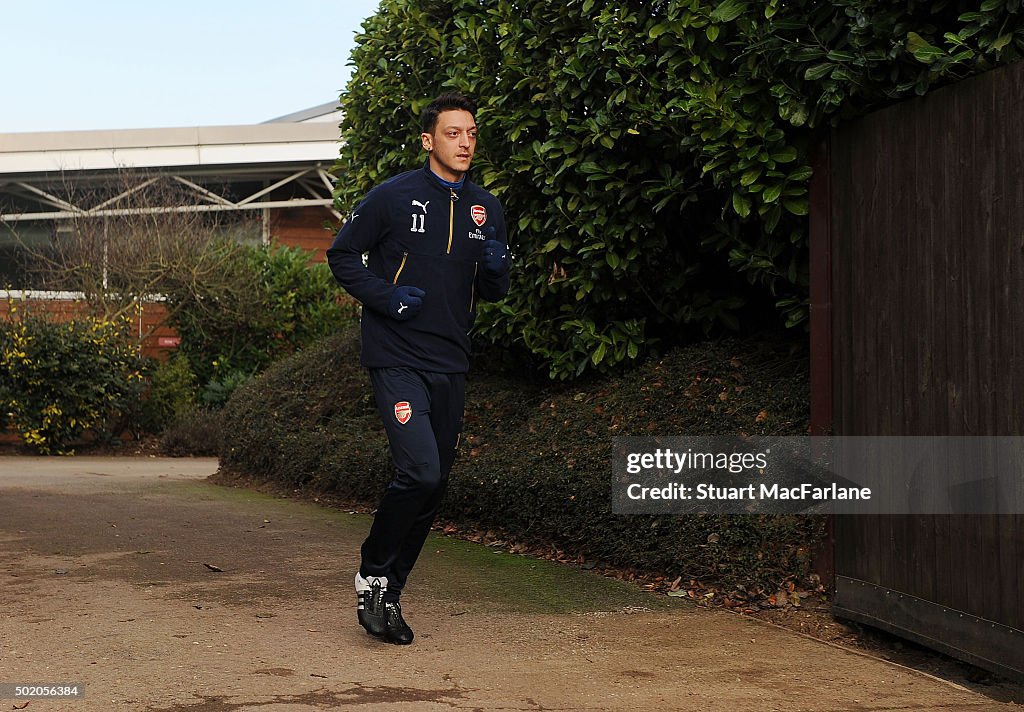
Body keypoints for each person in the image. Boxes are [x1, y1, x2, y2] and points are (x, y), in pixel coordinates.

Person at [326, 91, 511, 645]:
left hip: (451, 360)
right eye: (454, 134)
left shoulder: (488, 208)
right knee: (420, 471)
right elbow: (341, 255)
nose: (465, 143)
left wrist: (499, 269)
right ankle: (372, 572)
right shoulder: (393, 197)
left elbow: (493, 290)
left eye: (472, 133)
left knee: (434, 487)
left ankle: (389, 590)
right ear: (429, 140)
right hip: (397, 355)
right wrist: (385, 297)